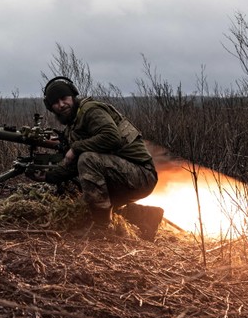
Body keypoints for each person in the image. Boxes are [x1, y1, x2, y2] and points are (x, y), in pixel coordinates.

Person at [38, 76, 160, 236]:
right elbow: (73, 165)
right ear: (50, 107)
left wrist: (75, 148)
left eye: (64, 98)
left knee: (87, 159)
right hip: (123, 175)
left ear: (73, 96)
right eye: (55, 102)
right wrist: (48, 176)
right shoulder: (73, 125)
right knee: (85, 209)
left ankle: (103, 228)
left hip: (141, 175)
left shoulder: (91, 110)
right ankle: (148, 216)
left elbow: (111, 137)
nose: (61, 105)